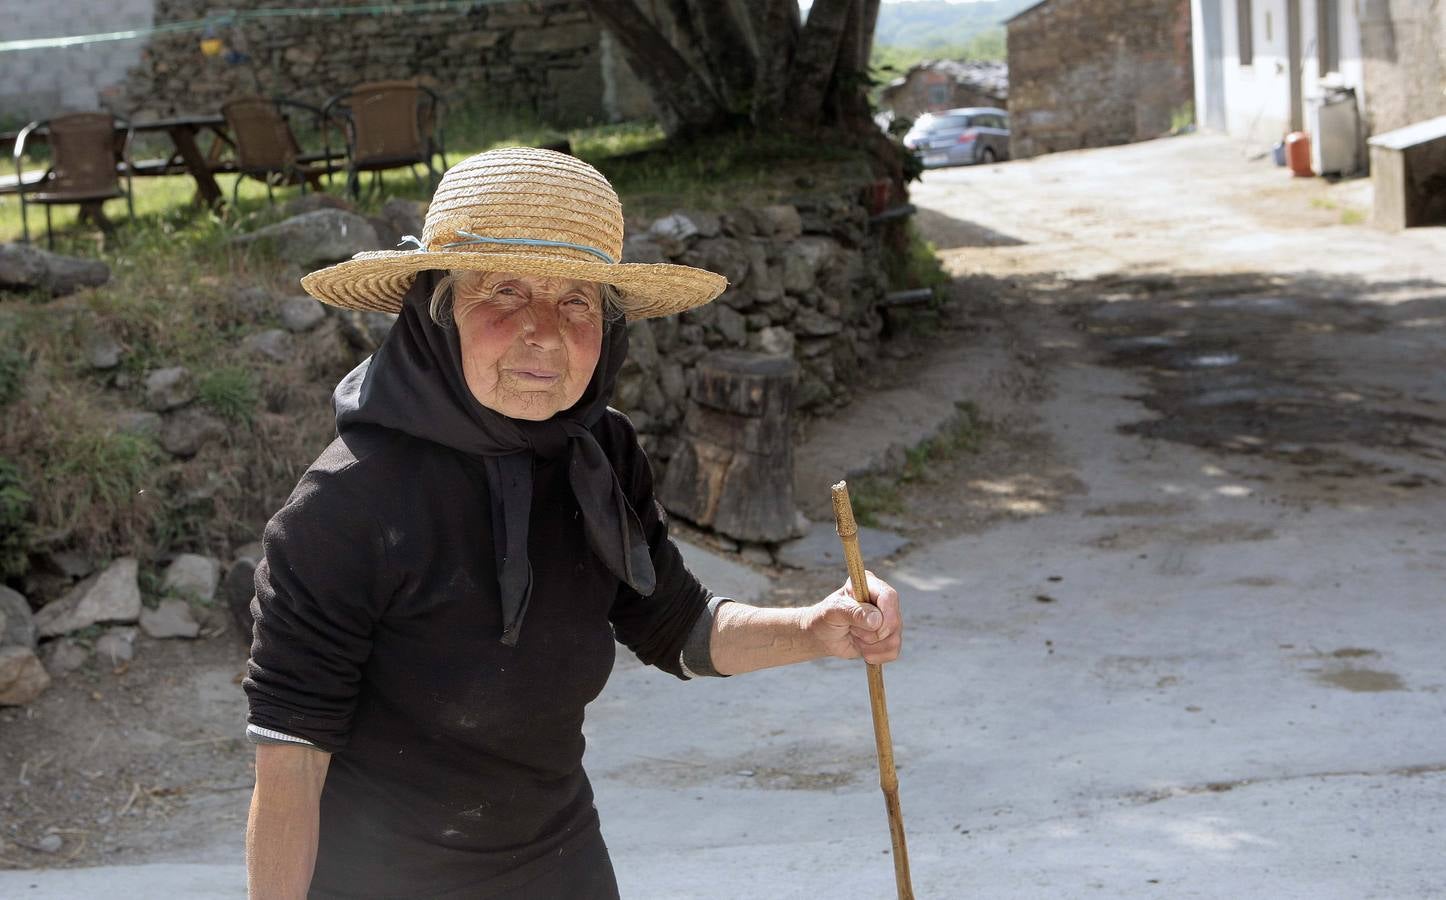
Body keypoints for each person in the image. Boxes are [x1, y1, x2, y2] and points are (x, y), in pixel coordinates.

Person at [243, 147, 903, 899]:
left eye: (576, 302)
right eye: (504, 292)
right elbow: (292, 758)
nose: (543, 331)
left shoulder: (598, 454)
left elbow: (676, 627)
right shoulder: (345, 507)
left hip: (562, 866)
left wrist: (817, 628)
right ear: (436, 311)